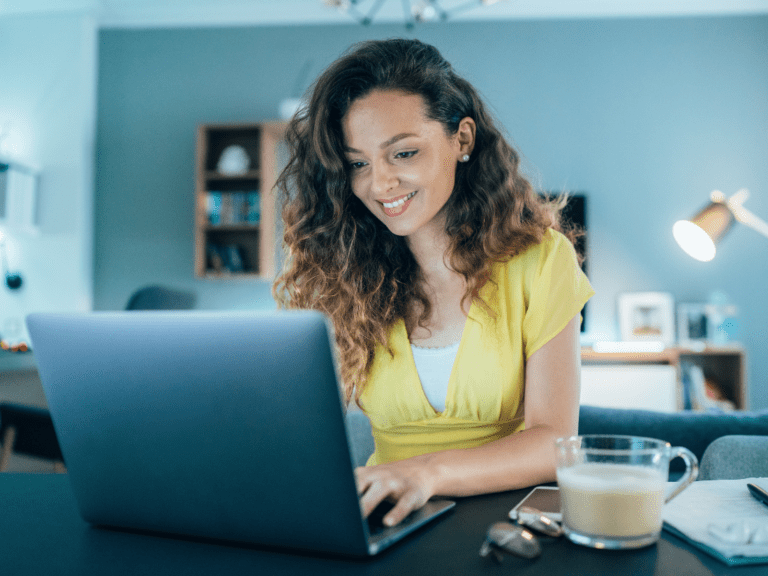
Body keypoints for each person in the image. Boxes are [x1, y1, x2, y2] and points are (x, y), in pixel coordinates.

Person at [273, 38, 594, 528]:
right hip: (385, 522)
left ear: (462, 140)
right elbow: (293, 433)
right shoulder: (341, 277)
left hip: (510, 525)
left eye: (402, 153)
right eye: (358, 163)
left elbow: (554, 443)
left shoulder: (543, 261)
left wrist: (426, 473)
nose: (380, 184)